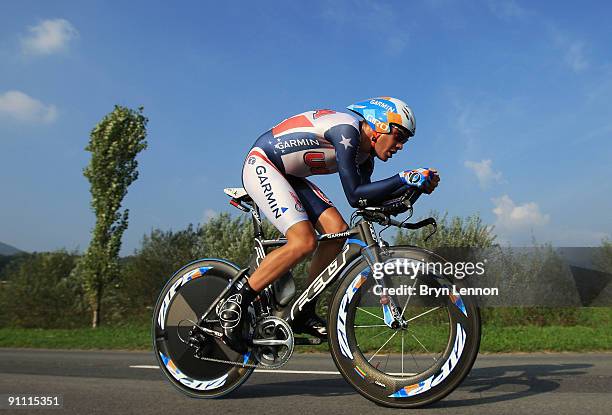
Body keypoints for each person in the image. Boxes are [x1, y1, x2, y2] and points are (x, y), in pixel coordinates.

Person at [218, 97, 440, 353]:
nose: (400, 145)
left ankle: (303, 309)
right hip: (263, 164)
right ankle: (235, 305)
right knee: (304, 241)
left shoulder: (366, 158)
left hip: (290, 176)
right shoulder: (348, 132)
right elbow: (355, 194)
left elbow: (366, 202)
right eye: (399, 136)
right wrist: (404, 177)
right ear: (379, 125)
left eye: (405, 141)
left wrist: (413, 188)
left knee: (337, 232)